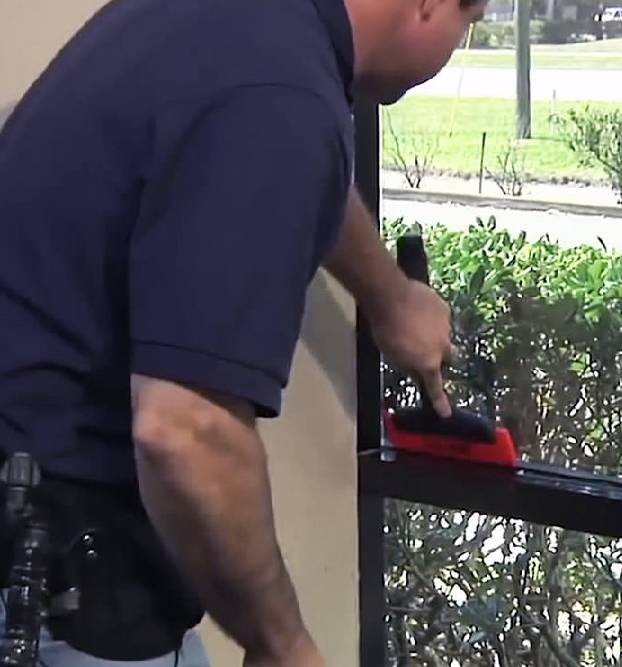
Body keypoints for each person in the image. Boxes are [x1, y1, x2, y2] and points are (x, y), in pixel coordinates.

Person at [0, 0, 486, 664]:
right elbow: (186, 429)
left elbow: (272, 159)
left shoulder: (249, 33)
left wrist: (389, 295)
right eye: (474, 20)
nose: (465, 41)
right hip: (57, 561)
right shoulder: (279, 95)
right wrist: (283, 643)